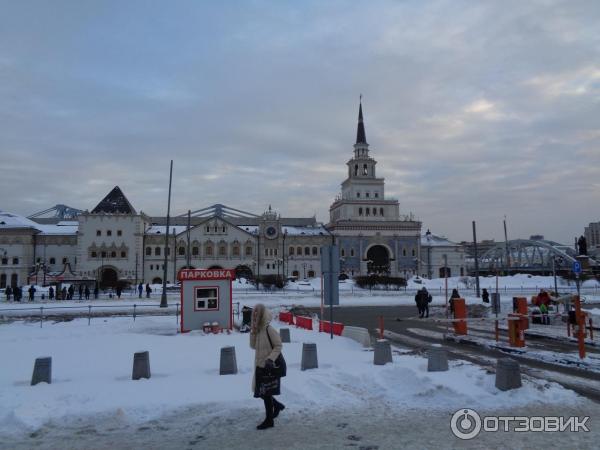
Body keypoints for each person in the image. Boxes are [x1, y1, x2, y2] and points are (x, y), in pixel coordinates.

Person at [250, 304, 285, 430]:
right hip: (259, 366)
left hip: (268, 366)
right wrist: (253, 331)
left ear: (262, 315)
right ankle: (278, 406)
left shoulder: (269, 329)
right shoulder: (258, 330)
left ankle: (269, 420)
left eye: (257, 314)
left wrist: (271, 359)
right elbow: (253, 346)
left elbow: (278, 345)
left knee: (265, 393)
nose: (255, 316)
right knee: (261, 392)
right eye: (253, 314)